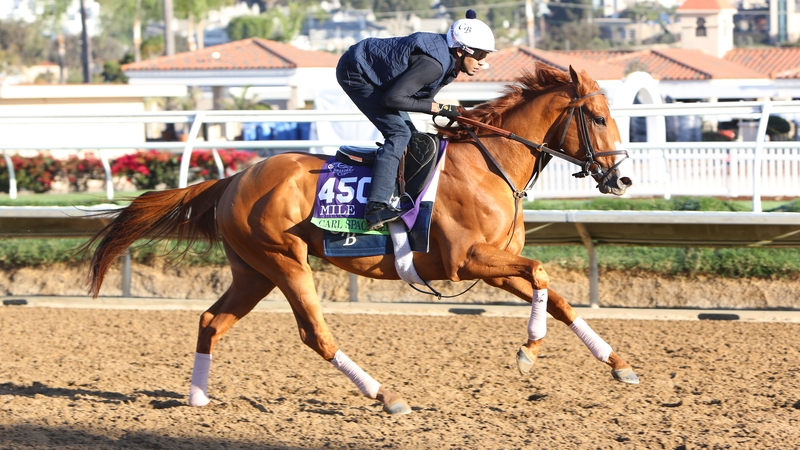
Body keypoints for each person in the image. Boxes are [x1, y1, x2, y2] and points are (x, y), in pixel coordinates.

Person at [336, 9, 497, 230]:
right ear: (461, 50)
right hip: (355, 71)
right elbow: (393, 100)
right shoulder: (434, 65)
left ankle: (399, 192)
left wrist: (451, 111)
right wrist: (441, 108)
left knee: (412, 137)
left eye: (486, 55)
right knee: (399, 133)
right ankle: (376, 207)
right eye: (479, 55)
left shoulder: (450, 62)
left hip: (376, 75)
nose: (482, 62)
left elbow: (421, 99)